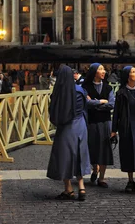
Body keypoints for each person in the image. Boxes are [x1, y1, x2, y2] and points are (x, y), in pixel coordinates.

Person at [47, 65, 91, 201]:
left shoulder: (58, 92)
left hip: (66, 127)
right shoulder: (80, 90)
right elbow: (86, 106)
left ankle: (68, 189)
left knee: (64, 157)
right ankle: (82, 187)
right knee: (79, 155)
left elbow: (53, 111)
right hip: (80, 125)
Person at [82, 63, 115, 187]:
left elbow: (111, 104)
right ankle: (95, 168)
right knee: (92, 147)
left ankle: (102, 177)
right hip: (91, 122)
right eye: (100, 69)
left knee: (105, 149)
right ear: (94, 72)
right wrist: (101, 102)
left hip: (105, 122)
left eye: (104, 69)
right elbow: (86, 103)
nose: (104, 71)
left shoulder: (108, 88)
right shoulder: (85, 87)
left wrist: (94, 104)